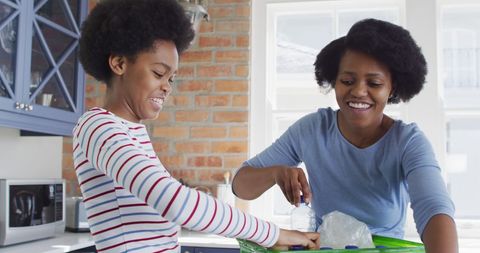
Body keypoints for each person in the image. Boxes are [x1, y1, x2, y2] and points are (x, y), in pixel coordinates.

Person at [72, 0, 320, 252]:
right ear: (119, 64)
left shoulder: (130, 131)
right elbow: (177, 203)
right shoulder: (98, 126)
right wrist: (272, 234)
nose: (167, 86)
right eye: (158, 73)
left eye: (172, 78)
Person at [232, 18, 458, 253]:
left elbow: (433, 207)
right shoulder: (312, 129)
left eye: (374, 83)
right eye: (347, 81)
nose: (359, 91)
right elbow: (241, 186)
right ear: (334, 81)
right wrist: (275, 172)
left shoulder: (408, 142)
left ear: (392, 87)